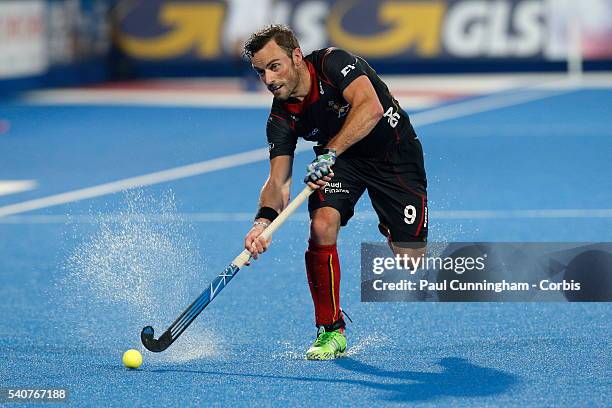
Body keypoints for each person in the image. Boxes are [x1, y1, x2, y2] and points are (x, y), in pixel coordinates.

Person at [242, 25, 428, 360]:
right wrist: (262, 223)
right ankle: (331, 329)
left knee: (411, 258)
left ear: (296, 56)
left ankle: (391, 225)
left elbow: (370, 107)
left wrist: (329, 152)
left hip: (394, 155)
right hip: (342, 162)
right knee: (321, 225)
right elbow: (278, 182)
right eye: (261, 72)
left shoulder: (332, 63)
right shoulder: (280, 117)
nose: (268, 80)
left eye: (274, 66)